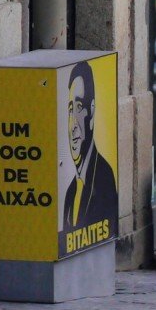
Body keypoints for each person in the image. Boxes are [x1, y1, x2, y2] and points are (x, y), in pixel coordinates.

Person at [62, 59, 118, 233]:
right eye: (70, 110)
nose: (73, 124)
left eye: (79, 107)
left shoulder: (104, 177)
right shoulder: (70, 191)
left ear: (92, 112)